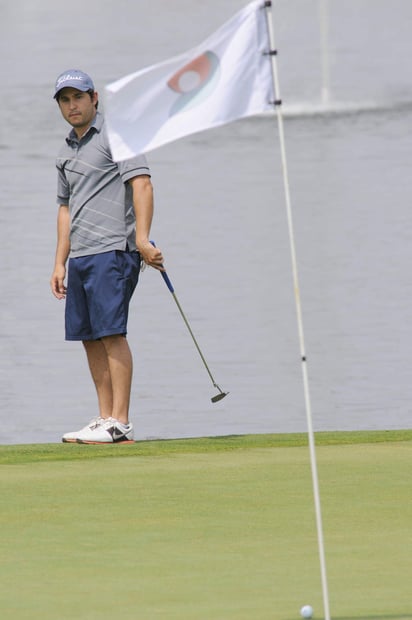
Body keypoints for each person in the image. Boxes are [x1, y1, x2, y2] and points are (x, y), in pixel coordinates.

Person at [50, 69, 163, 444]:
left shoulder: (118, 134)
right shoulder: (65, 150)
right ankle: (104, 419)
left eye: (78, 98)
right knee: (89, 336)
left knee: (111, 333)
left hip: (114, 250)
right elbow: (65, 208)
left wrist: (143, 239)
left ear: (94, 98)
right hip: (81, 256)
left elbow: (142, 183)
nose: (72, 106)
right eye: (65, 100)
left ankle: (122, 421)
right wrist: (59, 262)